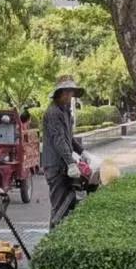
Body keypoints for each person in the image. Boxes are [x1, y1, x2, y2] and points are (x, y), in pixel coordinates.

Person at [42, 75, 86, 228]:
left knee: (68, 204)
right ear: (58, 93)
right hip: (55, 166)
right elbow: (58, 139)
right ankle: (52, 239)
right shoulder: (53, 112)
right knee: (59, 205)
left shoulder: (66, 111)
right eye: (65, 92)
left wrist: (82, 152)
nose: (69, 95)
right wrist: (70, 162)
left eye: (71, 92)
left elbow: (69, 138)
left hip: (64, 165)